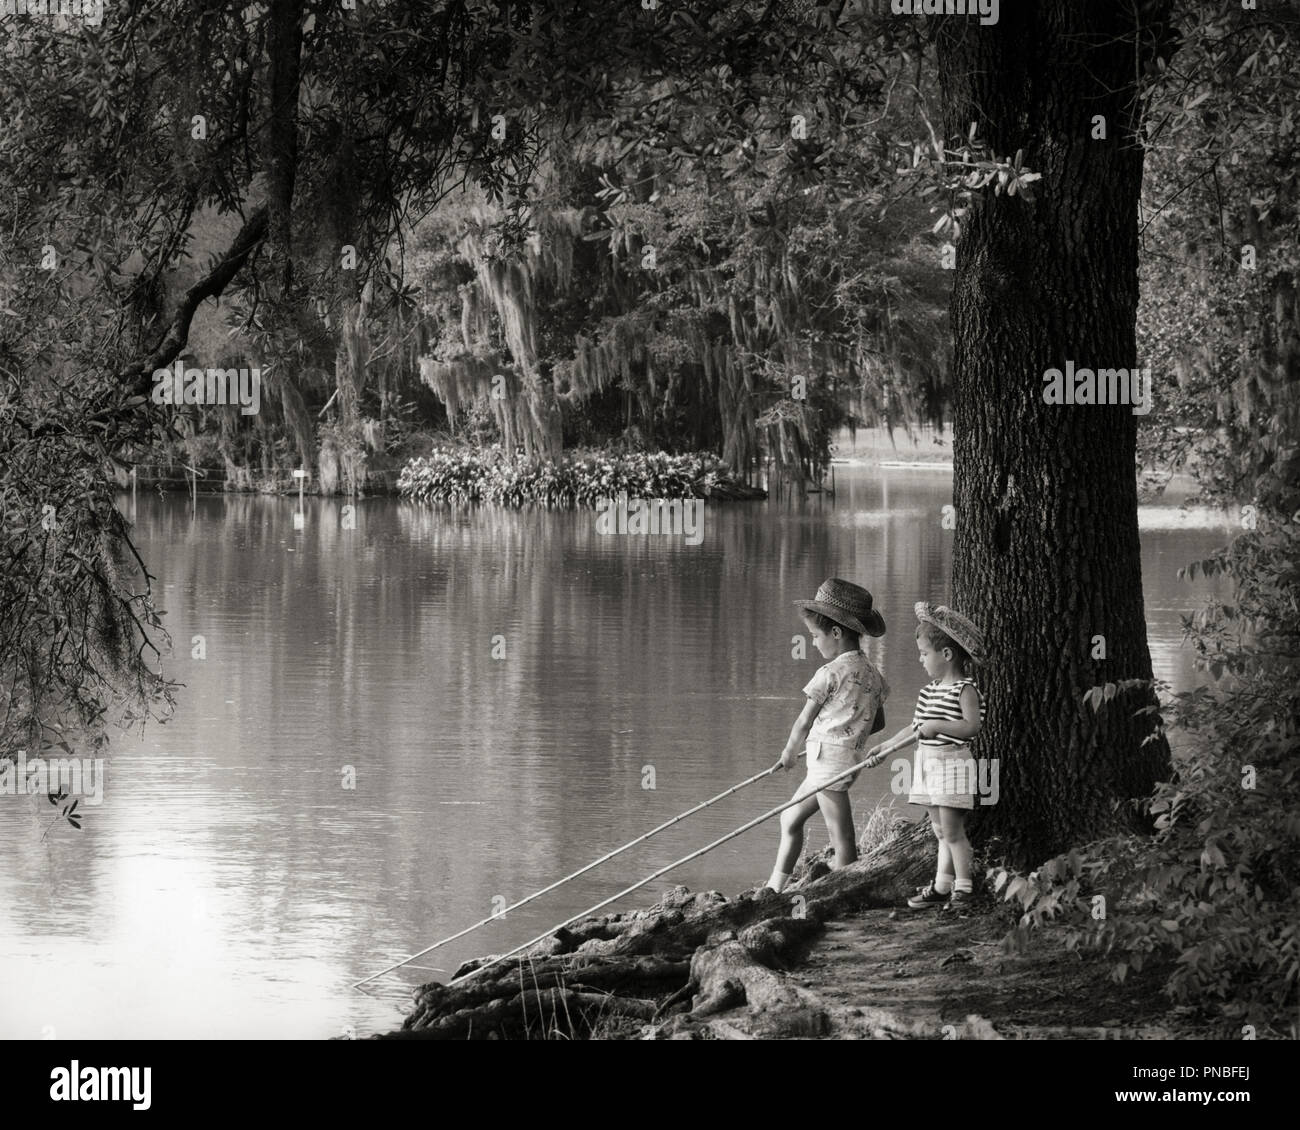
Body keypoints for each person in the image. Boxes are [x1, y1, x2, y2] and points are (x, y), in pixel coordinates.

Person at [764, 578, 889, 893]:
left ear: (836, 633)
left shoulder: (829, 674)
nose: (814, 643)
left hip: (827, 761)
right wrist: (849, 730)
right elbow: (877, 723)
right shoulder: (874, 676)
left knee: (841, 835)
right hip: (838, 759)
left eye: (815, 636)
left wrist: (789, 754)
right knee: (790, 819)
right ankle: (774, 888)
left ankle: (848, 890)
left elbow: (804, 721)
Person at [865, 601, 987, 912]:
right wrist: (886, 746)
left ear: (946, 655)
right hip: (927, 765)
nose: (920, 660)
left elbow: (972, 727)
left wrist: (937, 726)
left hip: (952, 763)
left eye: (924, 654)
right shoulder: (928, 692)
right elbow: (914, 728)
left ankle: (964, 889)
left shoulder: (965, 689)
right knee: (938, 831)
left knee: (954, 831)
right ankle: (942, 885)